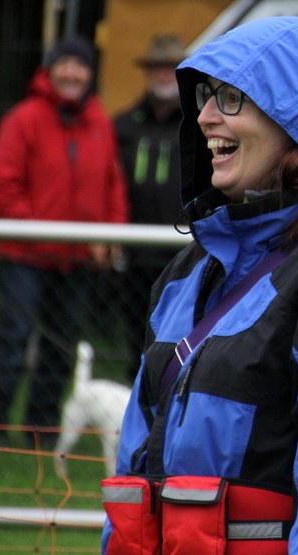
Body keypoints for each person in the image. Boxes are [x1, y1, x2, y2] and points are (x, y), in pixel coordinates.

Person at [102, 16, 298, 555]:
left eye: (231, 98)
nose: (204, 116)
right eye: (206, 95)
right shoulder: (190, 270)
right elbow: (133, 475)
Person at [0, 35, 129, 447]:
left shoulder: (100, 123)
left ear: (90, 74)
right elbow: (0, 184)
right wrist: (37, 229)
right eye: (64, 64)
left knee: (60, 348)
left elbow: (113, 186)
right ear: (50, 70)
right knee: (14, 339)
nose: (72, 73)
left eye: (81, 66)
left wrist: (112, 234)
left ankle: (41, 431)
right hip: (24, 256)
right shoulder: (24, 119)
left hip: (76, 260)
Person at [112, 34, 187, 380]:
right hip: (135, 253)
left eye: (171, 68)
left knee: (179, 337)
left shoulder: (199, 126)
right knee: (136, 337)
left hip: (184, 252)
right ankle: (136, 401)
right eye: (157, 67)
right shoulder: (124, 125)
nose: (163, 75)